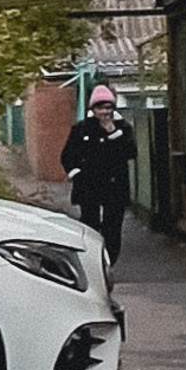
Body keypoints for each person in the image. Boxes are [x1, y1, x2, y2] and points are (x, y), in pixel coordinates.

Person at [59, 83, 136, 265]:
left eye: (108, 107)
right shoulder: (82, 129)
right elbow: (68, 155)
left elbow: (131, 152)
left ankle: (109, 262)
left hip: (114, 187)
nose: (104, 112)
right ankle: (93, 261)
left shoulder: (123, 128)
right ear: (93, 109)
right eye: (100, 107)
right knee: (90, 225)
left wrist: (113, 133)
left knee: (113, 227)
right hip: (89, 186)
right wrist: (76, 173)